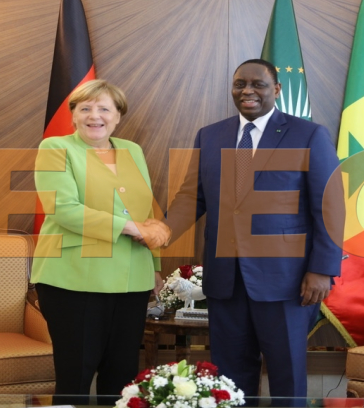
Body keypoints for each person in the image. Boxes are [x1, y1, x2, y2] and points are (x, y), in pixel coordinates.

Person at [165, 59, 343, 399]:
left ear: (276, 89)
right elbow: (193, 196)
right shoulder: (211, 135)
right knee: (229, 377)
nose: (247, 91)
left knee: (287, 375)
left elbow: (330, 206)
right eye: (239, 84)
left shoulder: (308, 134)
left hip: (286, 281)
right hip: (226, 279)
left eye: (258, 84)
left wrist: (322, 269)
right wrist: (161, 232)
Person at [31, 79, 170, 396]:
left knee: (122, 376)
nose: (96, 116)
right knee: (75, 376)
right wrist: (131, 228)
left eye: (104, 108)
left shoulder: (132, 150)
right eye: (86, 108)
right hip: (72, 279)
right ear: (74, 115)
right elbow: (63, 209)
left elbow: (146, 211)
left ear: (118, 116)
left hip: (132, 279)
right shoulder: (55, 148)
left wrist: (154, 264)